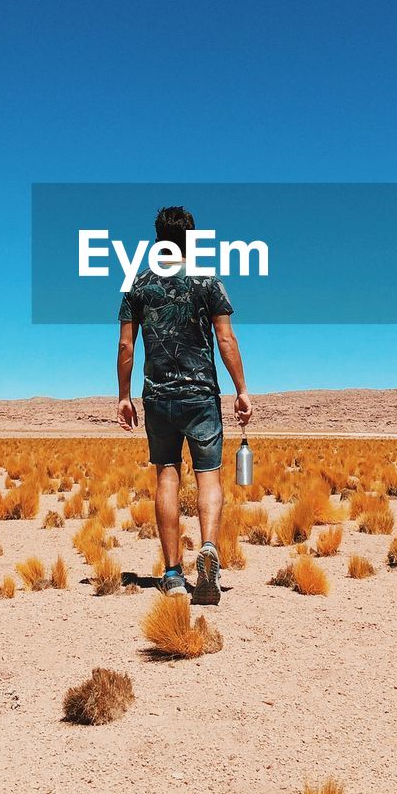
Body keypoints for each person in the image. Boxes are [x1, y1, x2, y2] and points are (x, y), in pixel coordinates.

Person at [116, 206, 253, 604]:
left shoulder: (137, 285)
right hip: (201, 395)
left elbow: (127, 345)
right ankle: (209, 548)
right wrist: (242, 389)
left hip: (158, 397)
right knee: (208, 476)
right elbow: (225, 340)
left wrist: (124, 396)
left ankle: (173, 574)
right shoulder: (208, 281)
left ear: (158, 238)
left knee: (167, 476)